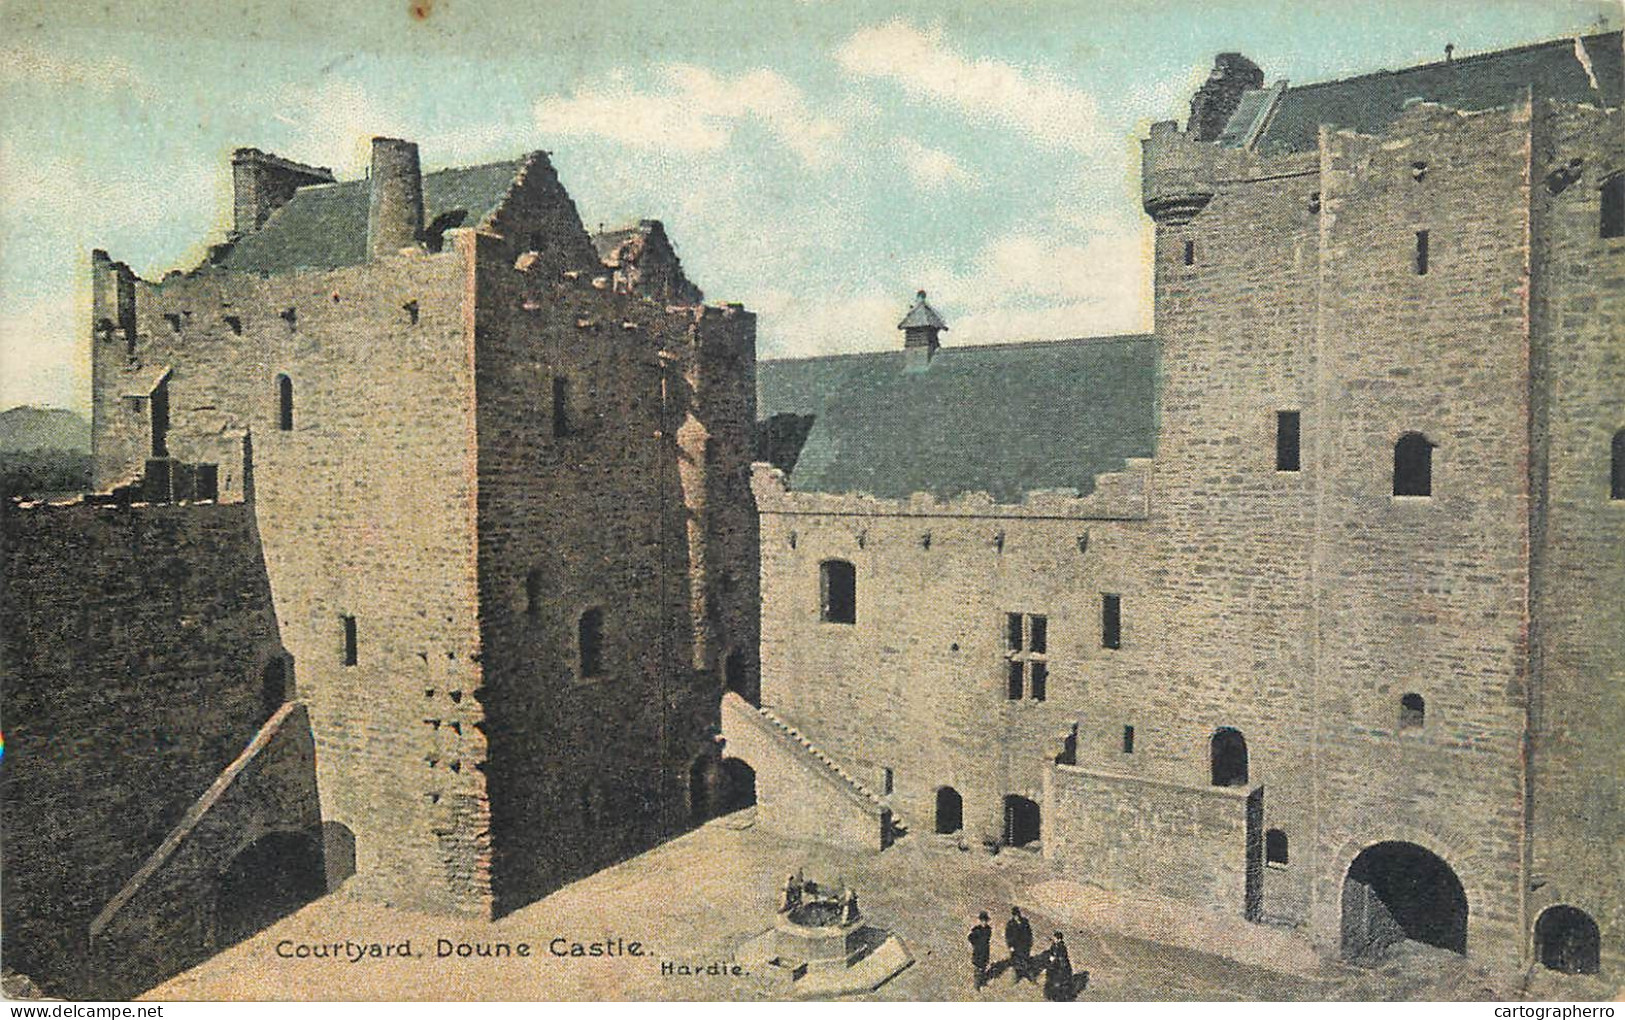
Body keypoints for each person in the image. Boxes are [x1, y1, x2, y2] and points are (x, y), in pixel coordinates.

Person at [1005, 905, 1035, 983]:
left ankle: (1031, 978)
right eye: (1015, 915)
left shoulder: (1025, 921)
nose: (1017, 917)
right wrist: (1010, 946)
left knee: (1026, 961)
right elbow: (1008, 936)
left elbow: (1029, 933)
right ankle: (1016, 978)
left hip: (1024, 945)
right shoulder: (1010, 924)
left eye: (1018, 915)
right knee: (1016, 962)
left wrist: (1030, 942)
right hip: (1015, 946)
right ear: (1013, 915)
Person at [1041, 931, 1074, 1002]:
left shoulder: (1062, 947)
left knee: (1059, 981)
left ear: (1059, 939)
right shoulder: (1054, 945)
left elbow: (1062, 957)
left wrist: (1055, 958)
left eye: (1055, 938)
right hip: (1054, 964)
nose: (1054, 939)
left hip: (1060, 966)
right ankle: (1050, 995)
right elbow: (1051, 953)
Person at [967, 912, 993, 990]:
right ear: (980, 921)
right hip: (978, 951)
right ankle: (976, 985)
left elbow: (987, 940)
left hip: (985, 950)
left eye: (985, 921)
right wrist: (975, 944)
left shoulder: (988, 929)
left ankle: (982, 981)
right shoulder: (977, 930)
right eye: (983, 921)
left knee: (984, 966)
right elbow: (970, 937)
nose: (984, 922)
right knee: (978, 968)